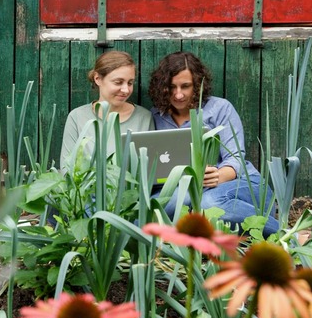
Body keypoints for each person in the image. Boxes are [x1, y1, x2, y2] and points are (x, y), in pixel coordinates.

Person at [148, 51, 279, 236]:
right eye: (171, 87)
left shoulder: (219, 108)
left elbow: (235, 158)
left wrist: (217, 175)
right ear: (162, 87)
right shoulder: (155, 116)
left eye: (185, 86)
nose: (178, 95)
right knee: (157, 206)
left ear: (198, 85)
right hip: (185, 192)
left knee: (208, 204)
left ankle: (284, 234)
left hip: (239, 186)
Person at [59, 51, 154, 168]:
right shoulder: (77, 117)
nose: (126, 90)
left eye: (130, 83)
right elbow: (67, 168)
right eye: (118, 82)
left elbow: (150, 169)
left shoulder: (144, 117)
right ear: (98, 79)